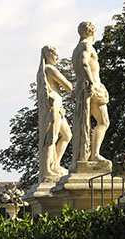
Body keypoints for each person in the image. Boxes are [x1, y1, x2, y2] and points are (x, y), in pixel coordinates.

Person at [72, 21, 110, 165]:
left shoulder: (77, 48)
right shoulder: (86, 46)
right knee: (104, 121)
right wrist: (92, 83)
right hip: (92, 87)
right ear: (93, 32)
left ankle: (87, 153)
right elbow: (84, 63)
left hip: (84, 87)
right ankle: (94, 154)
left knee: (85, 123)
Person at [37, 45, 73, 178]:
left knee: (67, 135)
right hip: (54, 106)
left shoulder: (42, 71)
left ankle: (55, 165)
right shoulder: (50, 69)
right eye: (55, 55)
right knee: (51, 138)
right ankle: (47, 170)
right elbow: (68, 86)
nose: (57, 57)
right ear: (48, 55)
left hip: (57, 105)